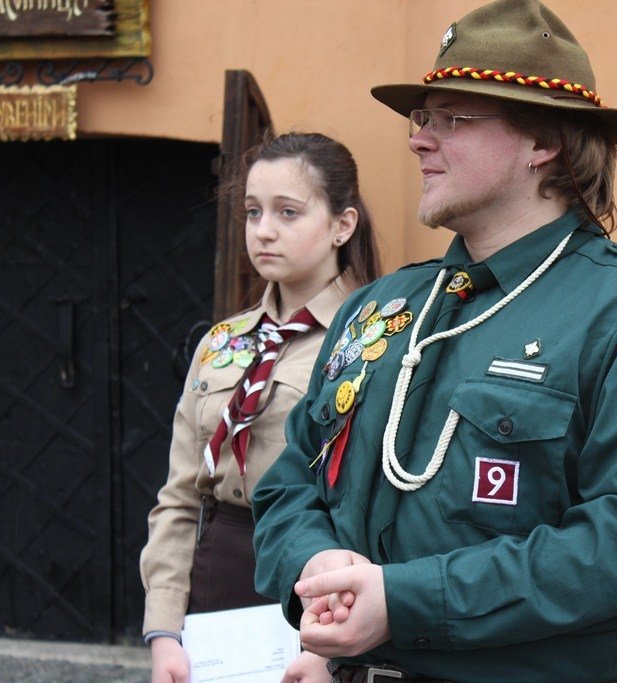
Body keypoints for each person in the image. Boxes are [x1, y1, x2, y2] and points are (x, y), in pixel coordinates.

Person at [252, 1, 617, 681]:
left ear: (543, 142)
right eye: (423, 118)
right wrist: (317, 565)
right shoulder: (382, 307)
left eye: (452, 118)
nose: (419, 140)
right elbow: (289, 482)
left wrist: (405, 602)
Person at [140, 132, 381, 683]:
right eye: (253, 212)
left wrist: (331, 647)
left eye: (287, 212)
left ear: (342, 225)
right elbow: (180, 496)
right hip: (214, 582)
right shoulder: (222, 342)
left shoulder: (375, 342)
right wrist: (165, 633)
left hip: (314, 582)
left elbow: (374, 507)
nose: (263, 230)